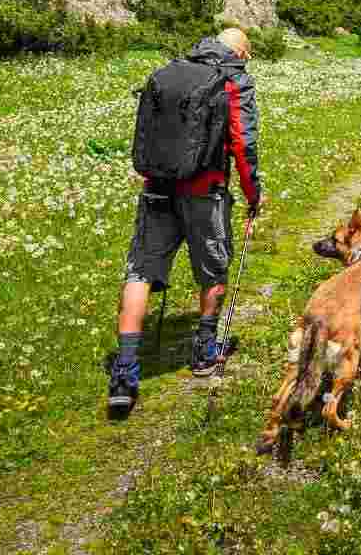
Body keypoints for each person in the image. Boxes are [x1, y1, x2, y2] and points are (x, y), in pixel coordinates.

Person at [108, 27, 266, 413]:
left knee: (140, 271)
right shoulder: (233, 80)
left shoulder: (169, 71)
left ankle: (125, 370)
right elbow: (243, 145)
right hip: (204, 191)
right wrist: (253, 194)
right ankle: (205, 349)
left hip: (156, 186)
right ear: (241, 53)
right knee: (213, 269)